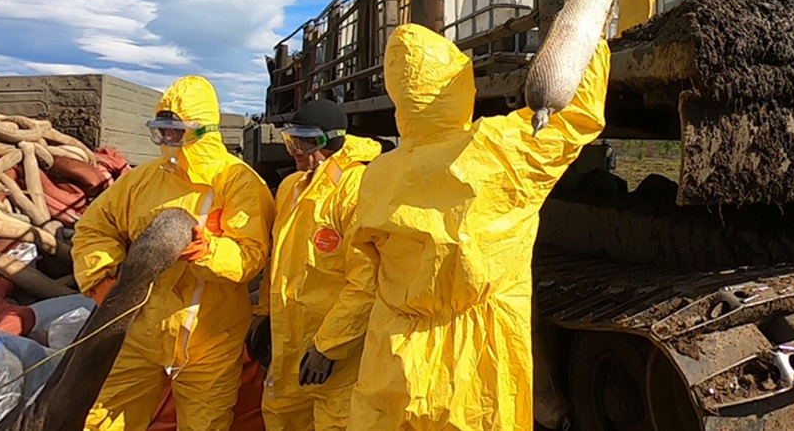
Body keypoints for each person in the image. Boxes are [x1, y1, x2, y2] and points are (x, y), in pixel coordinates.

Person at [346, 23, 610, 431]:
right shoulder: (499, 148)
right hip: (480, 353)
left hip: (397, 354)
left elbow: (365, 264)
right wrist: (589, 28)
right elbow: (576, 117)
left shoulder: (377, 174)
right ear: (460, 86)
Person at [73, 75, 275, 431]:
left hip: (209, 339)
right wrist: (100, 279)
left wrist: (207, 251)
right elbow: (94, 228)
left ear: (202, 131)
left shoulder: (238, 182)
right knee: (103, 419)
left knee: (205, 423)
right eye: (162, 131)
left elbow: (251, 256)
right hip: (140, 330)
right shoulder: (143, 179)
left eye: (176, 133)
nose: (168, 141)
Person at [257, 99, 382, 431]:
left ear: (332, 141)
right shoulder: (291, 188)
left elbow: (366, 282)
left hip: (335, 357)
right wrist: (264, 317)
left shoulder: (355, 189)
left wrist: (329, 346)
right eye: (291, 140)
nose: (296, 150)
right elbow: (278, 263)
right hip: (288, 348)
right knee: (282, 420)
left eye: (306, 142)